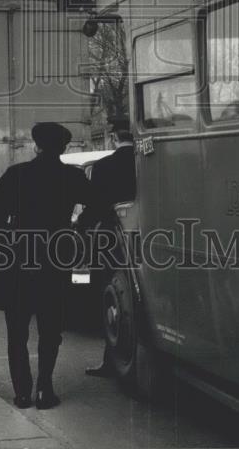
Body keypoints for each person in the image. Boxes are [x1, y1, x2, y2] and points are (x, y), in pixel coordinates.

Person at [0, 122, 94, 410]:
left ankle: (22, 392)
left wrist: (2, 245)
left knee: (17, 331)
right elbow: (97, 206)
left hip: (19, 258)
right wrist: (77, 230)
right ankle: (45, 388)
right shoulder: (73, 176)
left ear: (36, 145)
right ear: (64, 148)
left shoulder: (16, 174)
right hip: (55, 259)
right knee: (50, 329)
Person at [83, 127, 137, 379]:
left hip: (111, 237)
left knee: (110, 294)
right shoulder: (144, 160)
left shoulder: (104, 166)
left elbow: (94, 204)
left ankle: (112, 358)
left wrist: (82, 227)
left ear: (114, 138)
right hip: (145, 234)